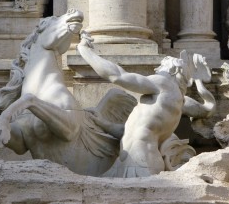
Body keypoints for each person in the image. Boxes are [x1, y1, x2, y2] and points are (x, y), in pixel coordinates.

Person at [77, 31, 215, 177]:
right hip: (135, 160)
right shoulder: (180, 101)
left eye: (162, 66)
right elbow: (208, 109)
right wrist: (104, 124)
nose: (158, 69)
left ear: (173, 70)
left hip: (139, 161)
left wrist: (85, 51)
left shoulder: (163, 83)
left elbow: (118, 76)